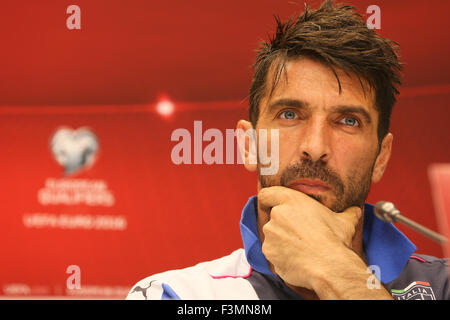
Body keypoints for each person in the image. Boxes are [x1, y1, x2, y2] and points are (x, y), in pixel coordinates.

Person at [127, 0, 450, 300]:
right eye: (290, 115)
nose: (315, 148)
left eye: (348, 121)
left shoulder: (444, 284)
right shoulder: (177, 294)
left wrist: (337, 272)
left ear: (381, 157)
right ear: (250, 146)